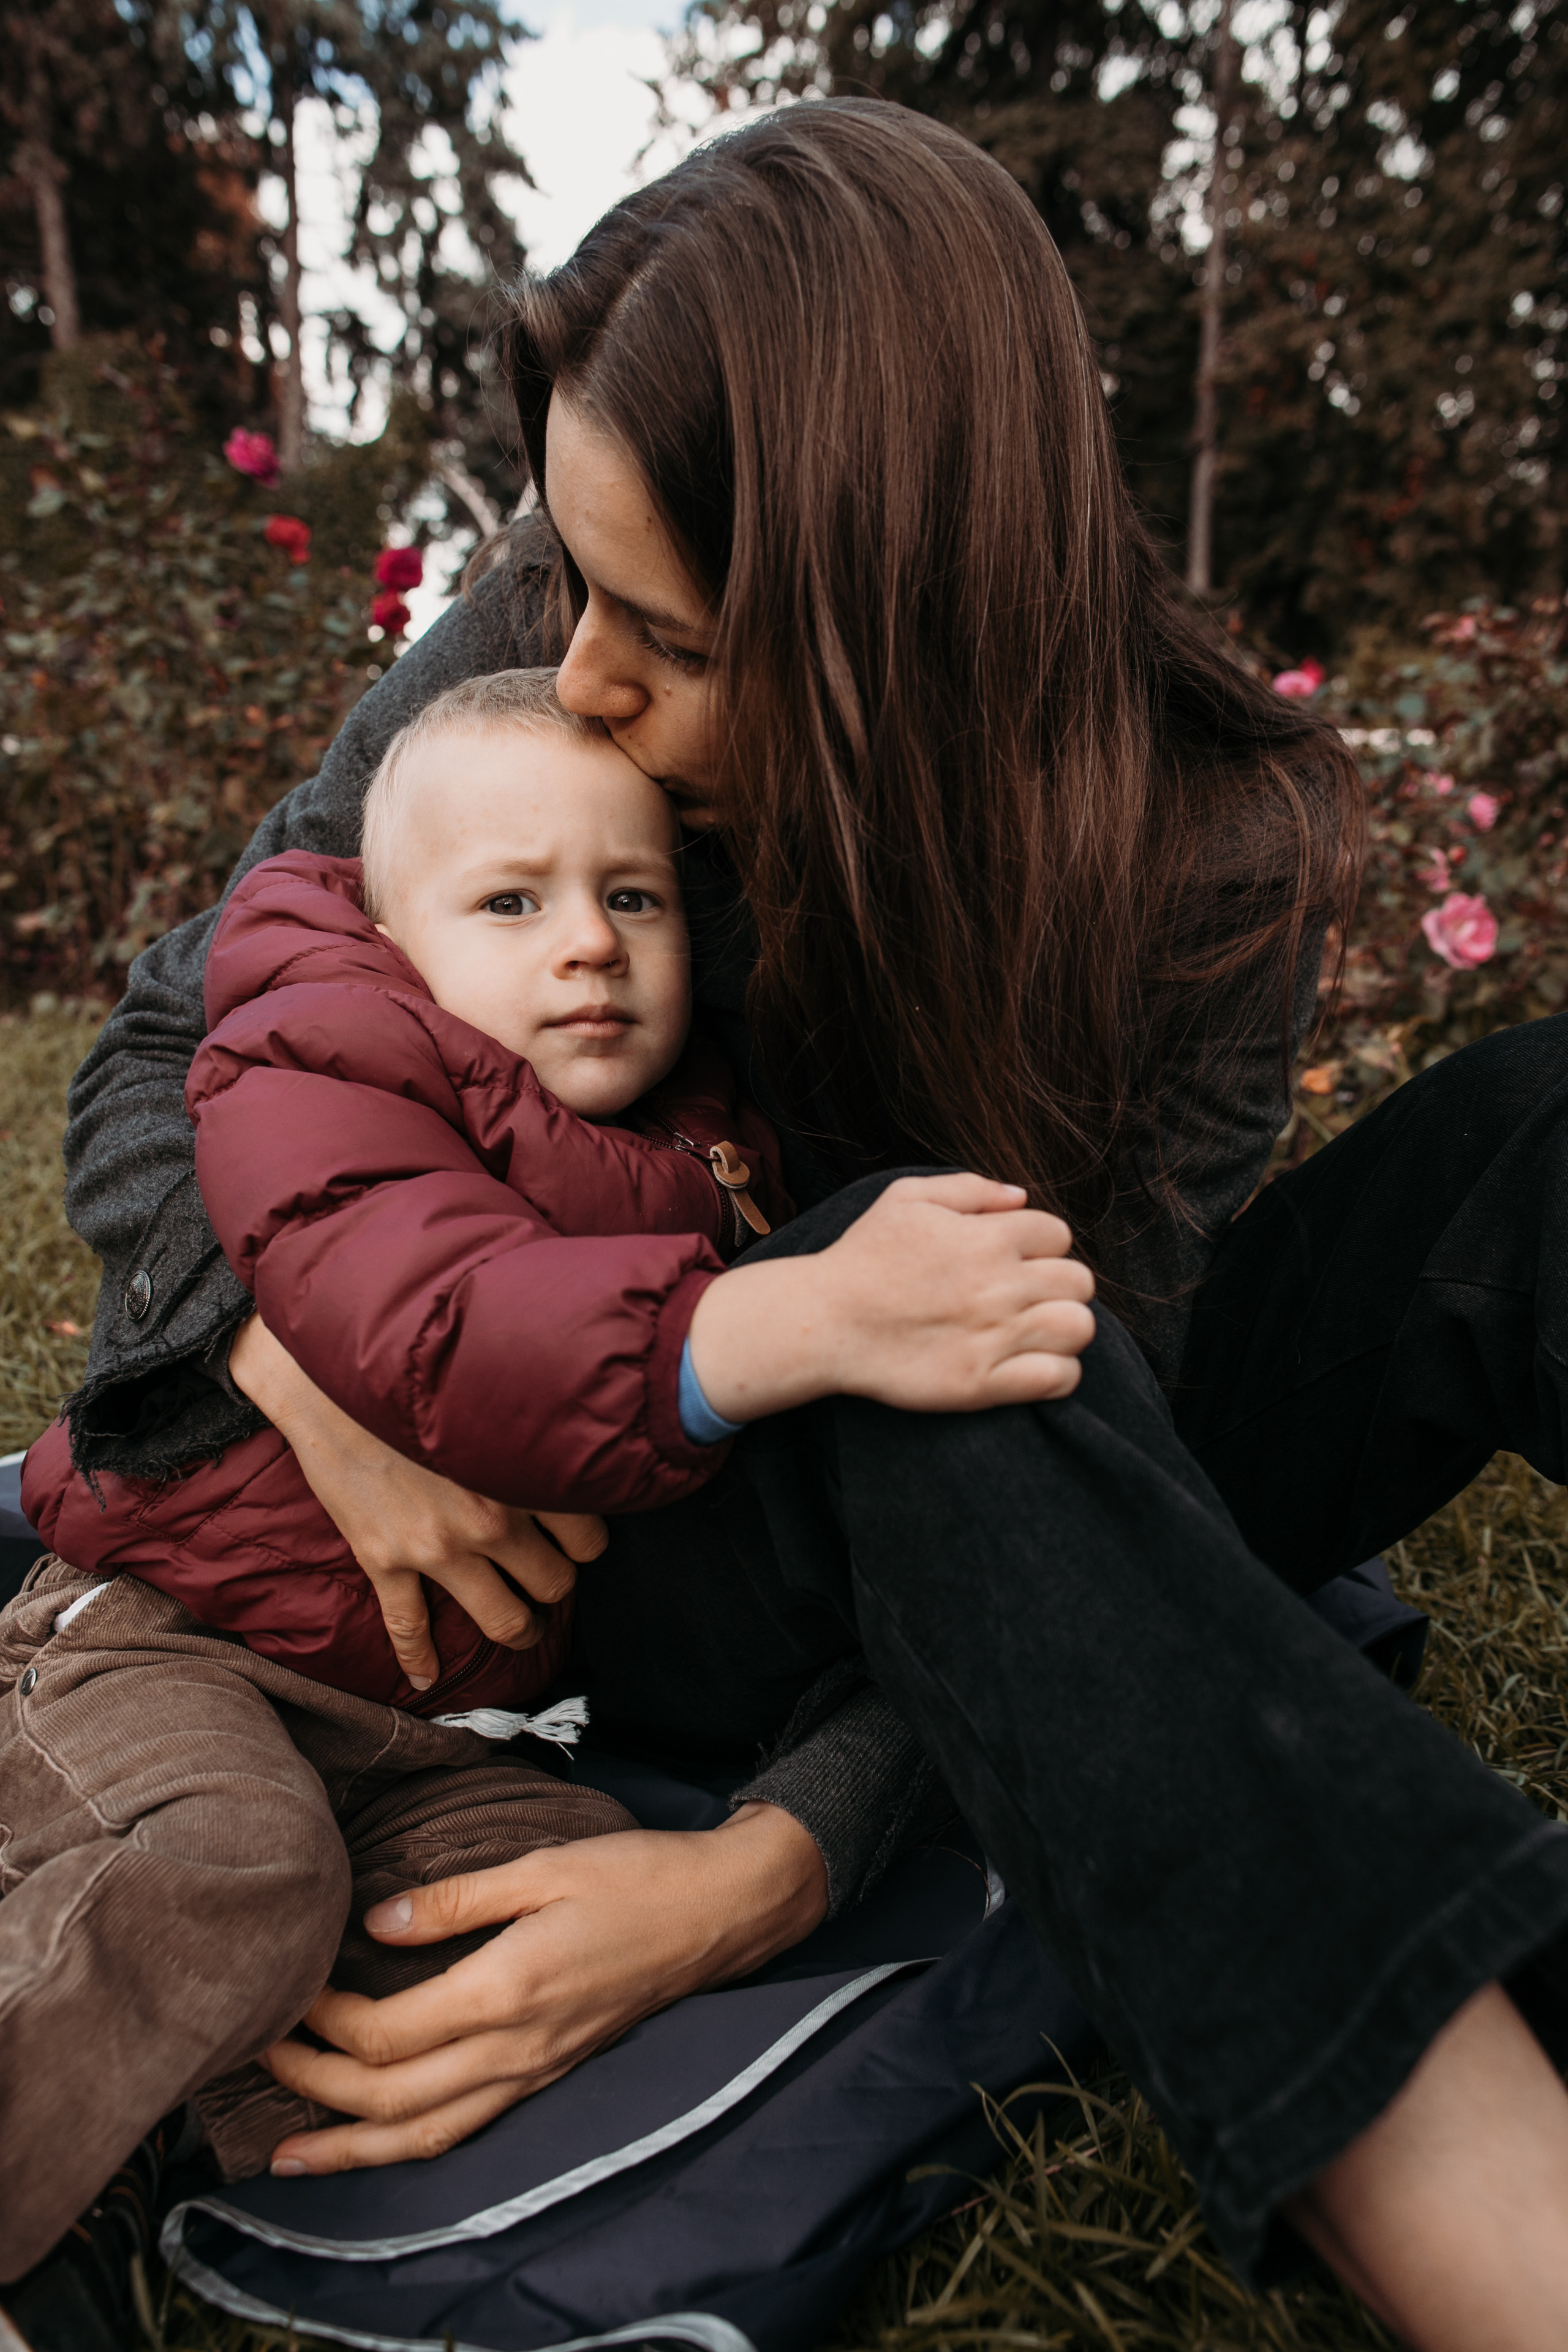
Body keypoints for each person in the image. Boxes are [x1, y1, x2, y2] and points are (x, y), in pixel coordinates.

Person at [13, 96, 1568, 2352]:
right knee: (906, 1285)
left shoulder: (1206, 850)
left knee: (1513, 1136)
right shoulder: (561, 619)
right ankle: (1483, 2213)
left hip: (1002, 1417)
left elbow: (1097, 1366)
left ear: (896, 635)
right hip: (632, 1490)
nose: (583, 689)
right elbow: (176, 1041)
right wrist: (290, 1358)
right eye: (572, 588)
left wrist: (771, 1865)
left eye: (671, 634)